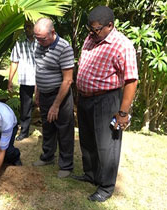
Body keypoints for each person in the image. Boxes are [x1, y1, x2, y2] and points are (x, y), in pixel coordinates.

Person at [73, 6, 138, 202]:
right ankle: (91, 174)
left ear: (110, 25)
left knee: (106, 145)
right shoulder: (92, 38)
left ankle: (106, 186)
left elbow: (131, 80)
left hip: (106, 99)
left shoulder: (123, 45)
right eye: (90, 29)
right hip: (85, 98)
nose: (91, 34)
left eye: (96, 30)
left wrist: (123, 112)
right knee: (87, 139)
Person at [32, 18, 75, 179]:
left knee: (64, 130)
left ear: (53, 32)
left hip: (60, 96)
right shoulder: (39, 44)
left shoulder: (64, 48)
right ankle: (48, 157)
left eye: (42, 38)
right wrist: (38, 92)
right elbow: (40, 69)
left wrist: (56, 105)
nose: (39, 41)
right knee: (47, 127)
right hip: (44, 94)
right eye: (37, 38)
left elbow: (68, 80)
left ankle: (66, 165)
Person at [8, 21, 36, 141]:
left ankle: (48, 132)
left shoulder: (41, 43)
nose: (27, 29)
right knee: (25, 108)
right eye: (25, 27)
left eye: (29, 27)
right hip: (25, 80)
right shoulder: (19, 44)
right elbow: (14, 61)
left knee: (45, 106)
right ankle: (24, 132)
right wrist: (10, 80)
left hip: (40, 80)